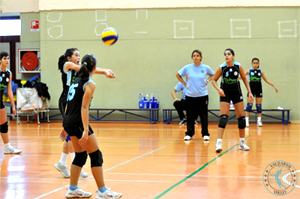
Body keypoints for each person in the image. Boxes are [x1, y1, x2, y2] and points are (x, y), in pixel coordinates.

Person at [60, 54, 122, 198]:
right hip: (78, 122)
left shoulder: (76, 81)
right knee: (96, 155)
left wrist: (65, 126)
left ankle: (72, 189)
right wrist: (86, 130)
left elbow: (69, 105)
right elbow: (84, 108)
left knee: (80, 156)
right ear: (94, 67)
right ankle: (102, 191)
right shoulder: (89, 83)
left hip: (69, 120)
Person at [212, 48, 253, 153]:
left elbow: (244, 78)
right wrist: (218, 89)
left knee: (241, 117)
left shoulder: (238, 66)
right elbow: (213, 80)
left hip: (236, 92)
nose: (226, 56)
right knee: (223, 117)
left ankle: (242, 143)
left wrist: (250, 92)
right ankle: (219, 143)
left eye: (229, 54)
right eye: (225, 54)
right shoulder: (222, 67)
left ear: (233, 56)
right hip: (225, 93)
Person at [55, 48, 88, 178]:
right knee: (72, 134)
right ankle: (76, 166)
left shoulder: (76, 69)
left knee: (70, 134)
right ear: (69, 57)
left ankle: (62, 162)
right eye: (76, 55)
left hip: (73, 103)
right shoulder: (67, 65)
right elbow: (86, 69)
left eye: (80, 55)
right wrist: (103, 70)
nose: (78, 57)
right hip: (66, 102)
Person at [176, 49, 215, 141]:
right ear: (192, 57)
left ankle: (205, 133)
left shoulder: (205, 67)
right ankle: (189, 133)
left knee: (203, 115)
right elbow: (178, 75)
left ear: (201, 57)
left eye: (197, 56)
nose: (196, 57)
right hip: (190, 95)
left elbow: (213, 74)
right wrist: (184, 83)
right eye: (194, 56)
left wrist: (208, 80)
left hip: (202, 95)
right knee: (190, 115)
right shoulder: (188, 67)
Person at [244, 58, 278, 127]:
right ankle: (246, 120)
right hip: (251, 90)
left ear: (258, 64)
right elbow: (242, 76)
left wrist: (273, 85)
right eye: (254, 63)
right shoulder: (249, 71)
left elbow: (266, 80)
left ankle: (259, 121)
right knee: (249, 106)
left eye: (257, 63)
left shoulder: (260, 71)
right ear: (252, 64)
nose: (255, 64)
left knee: (259, 106)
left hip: (259, 89)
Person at [0, 51, 22, 154]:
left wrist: (13, 106)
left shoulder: (9, 73)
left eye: (8, 58)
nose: (7, 60)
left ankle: (7, 147)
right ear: (0, 60)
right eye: (4, 58)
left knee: (3, 124)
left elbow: (9, 90)